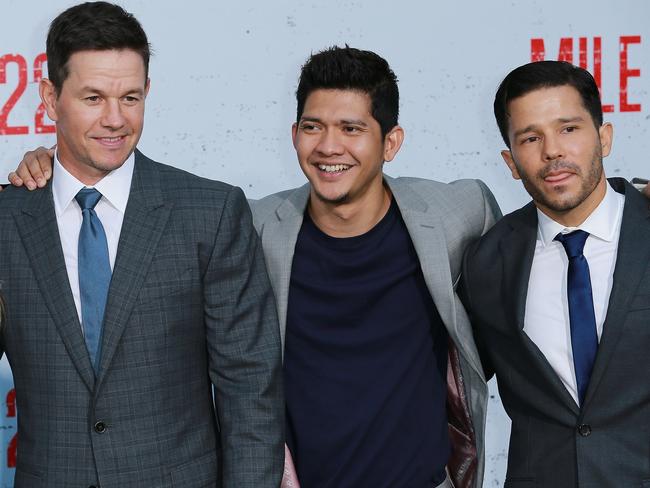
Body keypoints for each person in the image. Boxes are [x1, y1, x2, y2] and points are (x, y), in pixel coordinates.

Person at [9, 46, 501, 488]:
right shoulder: (256, 226)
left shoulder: (457, 214)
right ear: (294, 134)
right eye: (313, 127)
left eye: (352, 129)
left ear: (390, 142)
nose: (329, 147)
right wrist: (59, 165)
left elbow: (515, 312)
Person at [0, 2, 283, 487]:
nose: (116, 119)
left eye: (130, 97)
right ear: (49, 98)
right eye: (93, 98)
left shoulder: (209, 213)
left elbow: (250, 389)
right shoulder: (9, 218)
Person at [460, 60, 650, 487]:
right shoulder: (487, 261)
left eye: (569, 129)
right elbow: (449, 379)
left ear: (604, 137)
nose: (553, 151)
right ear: (510, 161)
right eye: (531, 137)